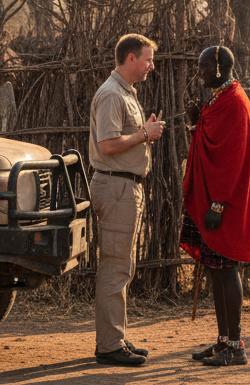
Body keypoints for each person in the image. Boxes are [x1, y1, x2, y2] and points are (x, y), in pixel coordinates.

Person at [180, 45, 250, 367]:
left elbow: (231, 159)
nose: (198, 72)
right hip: (213, 198)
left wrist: (217, 205)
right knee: (216, 270)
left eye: (202, 66)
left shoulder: (234, 102)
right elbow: (209, 144)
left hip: (224, 202)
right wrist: (194, 123)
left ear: (217, 67)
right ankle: (222, 341)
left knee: (227, 269)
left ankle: (236, 346)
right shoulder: (219, 99)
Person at [88, 33, 165, 366]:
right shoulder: (111, 94)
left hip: (124, 186)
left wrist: (139, 134)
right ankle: (109, 346)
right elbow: (106, 146)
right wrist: (143, 135)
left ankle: (114, 336)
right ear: (131, 58)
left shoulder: (125, 93)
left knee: (122, 266)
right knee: (115, 266)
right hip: (116, 186)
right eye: (147, 59)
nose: (151, 66)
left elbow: (120, 138)